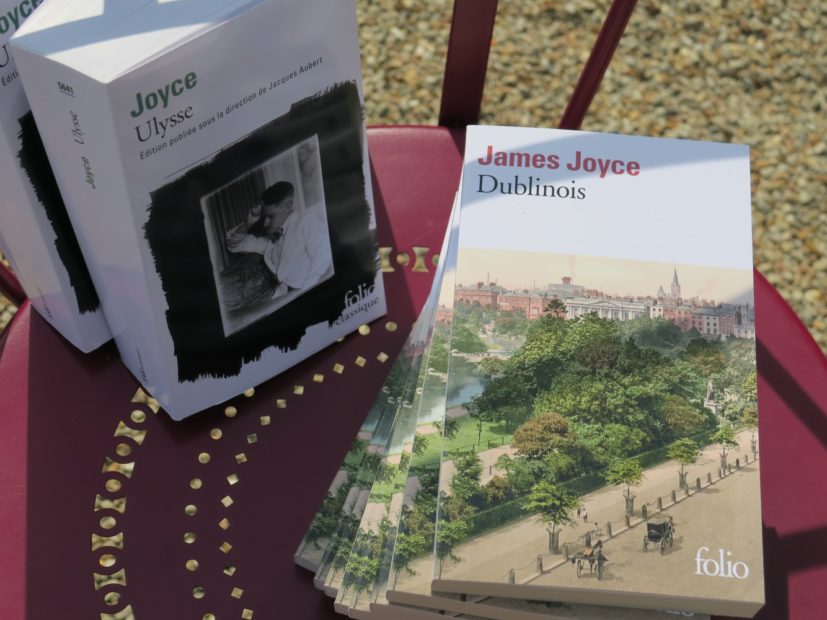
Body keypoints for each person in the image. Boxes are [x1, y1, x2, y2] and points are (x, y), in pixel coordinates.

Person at [226, 181, 332, 298]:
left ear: (287, 206)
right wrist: (247, 224)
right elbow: (233, 245)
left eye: (271, 216)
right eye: (264, 217)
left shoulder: (305, 222)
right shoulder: (269, 237)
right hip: (278, 297)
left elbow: (322, 262)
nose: (265, 223)